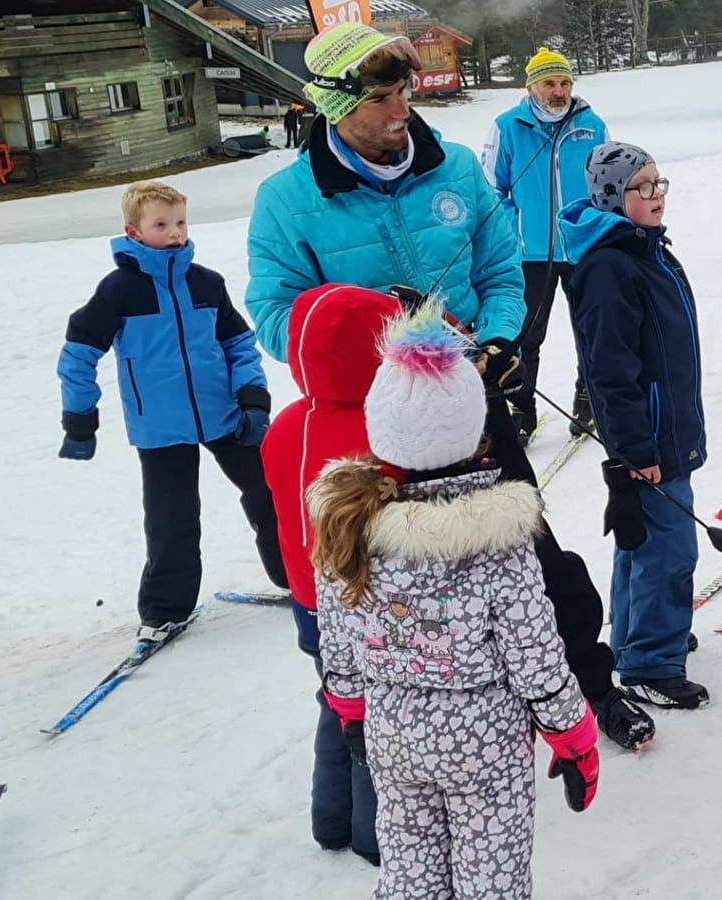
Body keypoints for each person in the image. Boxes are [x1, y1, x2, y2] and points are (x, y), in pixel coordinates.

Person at [244, 22, 654, 750]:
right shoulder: (287, 198)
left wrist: (496, 340)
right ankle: (384, 732)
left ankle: (588, 686)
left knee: (535, 560)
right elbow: (279, 316)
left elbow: (501, 273)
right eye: (382, 96)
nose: (403, 107)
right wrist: (381, 337)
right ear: (334, 106)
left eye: (404, 89)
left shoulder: (457, 169)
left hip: (474, 408)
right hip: (377, 426)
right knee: (391, 582)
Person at [309, 305, 599, 899]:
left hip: (392, 731)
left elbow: (337, 634)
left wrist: (349, 706)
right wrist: (573, 735)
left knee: (410, 868)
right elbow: (535, 651)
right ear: (475, 432)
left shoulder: (349, 521)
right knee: (491, 874)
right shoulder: (500, 538)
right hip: (485, 738)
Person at [56, 180, 285, 641]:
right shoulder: (119, 291)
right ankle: (164, 611)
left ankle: (297, 577)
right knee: (172, 519)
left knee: (272, 494)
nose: (175, 232)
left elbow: (240, 345)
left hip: (224, 415)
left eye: (180, 221)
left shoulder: (206, 283)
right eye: (161, 224)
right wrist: (80, 422)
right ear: (134, 232)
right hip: (160, 427)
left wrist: (254, 401)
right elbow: (78, 353)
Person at [559, 142, 708, 711]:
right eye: (641, 188)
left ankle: (637, 635)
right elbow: (609, 369)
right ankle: (649, 660)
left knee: (640, 541)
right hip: (648, 437)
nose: (656, 196)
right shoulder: (610, 267)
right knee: (668, 551)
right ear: (613, 197)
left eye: (659, 183)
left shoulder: (645, 252)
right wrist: (635, 445)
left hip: (666, 427)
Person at [261, 285, 397, 865]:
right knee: (376, 715)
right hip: (364, 605)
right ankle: (374, 835)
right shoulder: (381, 436)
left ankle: (331, 817)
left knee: (335, 698)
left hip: (306, 599)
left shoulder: (286, 425)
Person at [482, 46, 610, 443]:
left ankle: (588, 401)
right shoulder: (508, 126)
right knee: (525, 335)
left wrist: (599, 224)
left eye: (565, 82)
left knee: (592, 329)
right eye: (550, 83)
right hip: (529, 252)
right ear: (531, 86)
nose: (559, 91)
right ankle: (523, 410)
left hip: (582, 246)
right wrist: (513, 229)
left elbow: (608, 186)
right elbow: (491, 189)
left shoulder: (592, 125)